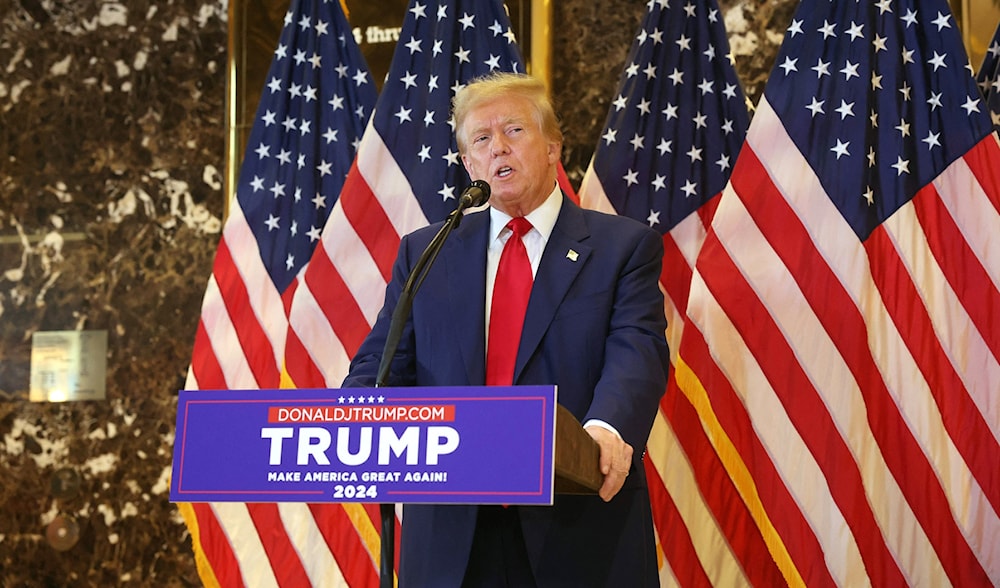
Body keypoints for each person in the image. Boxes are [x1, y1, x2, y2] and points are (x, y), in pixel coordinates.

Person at [342, 72, 669, 587]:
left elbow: (638, 351)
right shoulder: (428, 251)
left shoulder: (622, 248)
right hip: (452, 530)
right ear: (470, 164)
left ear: (552, 148)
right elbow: (382, 362)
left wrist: (606, 430)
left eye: (514, 130)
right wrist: (350, 419)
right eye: (481, 139)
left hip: (573, 517)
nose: (498, 148)